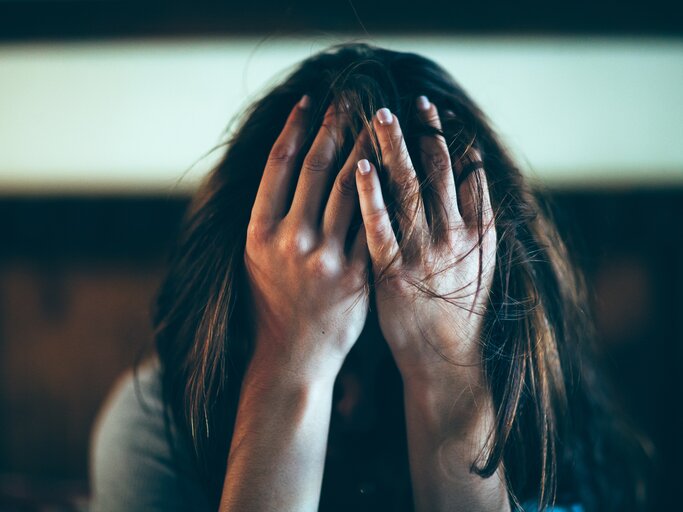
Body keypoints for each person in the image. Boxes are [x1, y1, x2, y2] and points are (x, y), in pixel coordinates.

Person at [89, 43, 649, 511]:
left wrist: (449, 375)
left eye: (384, 361)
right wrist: (290, 367)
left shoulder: (543, 420)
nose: (349, 403)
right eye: (335, 349)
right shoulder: (156, 427)